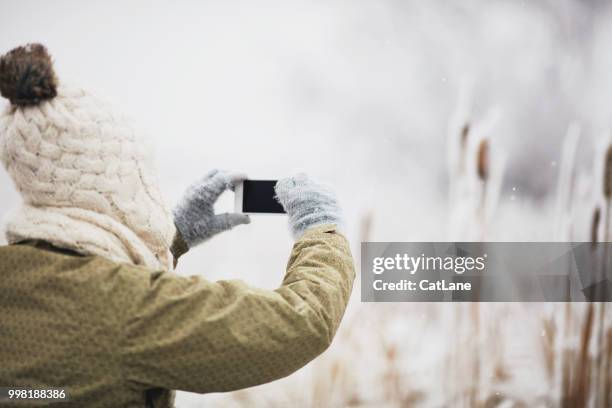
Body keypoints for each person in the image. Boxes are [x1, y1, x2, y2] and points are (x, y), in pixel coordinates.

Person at [0, 44, 355, 408]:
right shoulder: (129, 308)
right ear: (106, 186)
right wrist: (320, 226)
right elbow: (299, 324)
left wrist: (172, 240)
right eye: (136, 175)